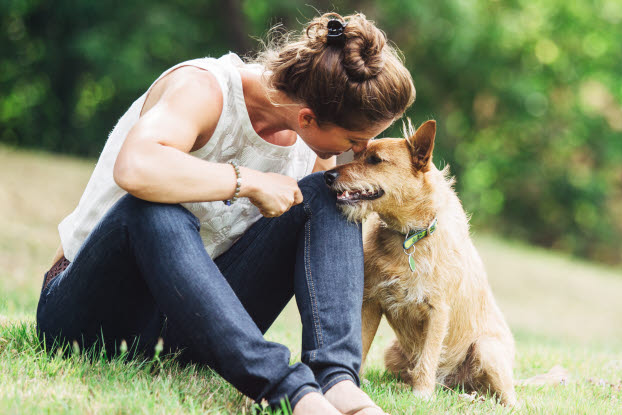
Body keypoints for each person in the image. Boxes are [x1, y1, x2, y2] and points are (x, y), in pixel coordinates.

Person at [35, 12, 415, 415]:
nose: (358, 151)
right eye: (355, 140)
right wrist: (247, 181)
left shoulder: (311, 147)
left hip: (189, 327)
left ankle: (336, 381)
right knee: (153, 210)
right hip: (93, 315)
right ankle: (293, 395)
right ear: (308, 117)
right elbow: (135, 167)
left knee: (330, 195)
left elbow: (321, 244)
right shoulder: (203, 88)